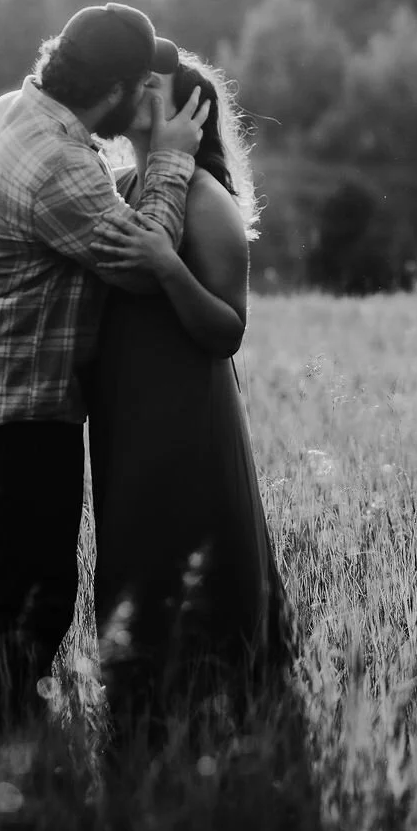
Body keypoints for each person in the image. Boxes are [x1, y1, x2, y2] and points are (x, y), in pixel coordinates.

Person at [0, 3, 209, 755]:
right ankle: (2, 744)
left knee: (19, 574)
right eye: (139, 86)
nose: (146, 98)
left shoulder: (8, 113)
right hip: (9, 406)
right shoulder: (57, 162)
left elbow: (78, 205)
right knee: (34, 588)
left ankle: (2, 730)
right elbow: (145, 261)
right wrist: (172, 158)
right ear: (111, 92)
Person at [85, 53, 296, 737]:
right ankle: (140, 700)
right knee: (135, 541)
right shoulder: (120, 185)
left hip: (186, 405)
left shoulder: (207, 200)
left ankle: (220, 699)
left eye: (153, 84)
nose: (135, 86)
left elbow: (228, 328)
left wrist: (168, 268)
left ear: (190, 111)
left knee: (191, 535)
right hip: (126, 404)